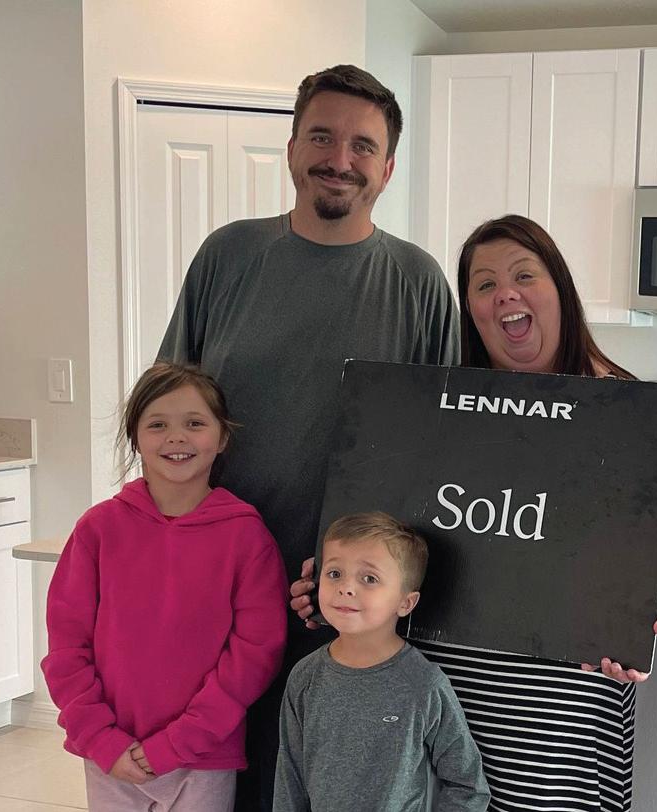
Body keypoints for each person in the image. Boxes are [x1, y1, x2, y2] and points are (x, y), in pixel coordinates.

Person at [158, 64, 459, 810]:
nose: (340, 159)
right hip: (216, 598)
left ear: (387, 168)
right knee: (210, 786)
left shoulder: (419, 283)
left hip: (346, 608)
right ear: (292, 148)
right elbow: (169, 420)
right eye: (322, 137)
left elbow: (444, 455)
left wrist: (363, 584)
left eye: (363, 145)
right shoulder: (227, 257)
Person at [417, 214, 657, 810]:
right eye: (485, 285)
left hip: (564, 704)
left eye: (524, 275)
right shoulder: (441, 413)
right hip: (450, 697)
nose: (505, 294)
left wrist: (641, 604)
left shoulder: (628, 411)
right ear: (472, 311)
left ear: (559, 291)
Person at [42, 362, 288, 812]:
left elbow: (255, 654)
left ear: (222, 437)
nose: (176, 437)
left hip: (203, 756)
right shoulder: (98, 529)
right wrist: (100, 737)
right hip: (110, 756)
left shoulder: (247, 536)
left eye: (194, 423)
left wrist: (181, 741)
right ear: (136, 437)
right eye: (158, 425)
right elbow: (66, 646)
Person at [273, 512, 490, 811]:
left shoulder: (423, 684)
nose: (346, 587)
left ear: (406, 602)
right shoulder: (305, 676)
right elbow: (290, 778)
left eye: (369, 578)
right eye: (334, 573)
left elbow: (468, 787)